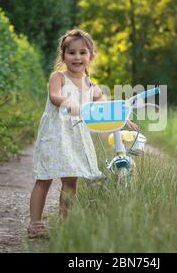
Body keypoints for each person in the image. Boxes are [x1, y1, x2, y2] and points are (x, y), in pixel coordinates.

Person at [28, 28, 138, 238]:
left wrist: (124, 118)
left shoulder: (91, 86)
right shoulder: (58, 77)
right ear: (63, 56)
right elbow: (54, 96)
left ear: (90, 56)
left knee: (71, 181)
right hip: (55, 134)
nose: (76, 57)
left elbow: (107, 109)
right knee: (44, 177)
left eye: (82, 52)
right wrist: (68, 102)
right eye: (71, 52)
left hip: (75, 137)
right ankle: (35, 222)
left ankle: (65, 224)